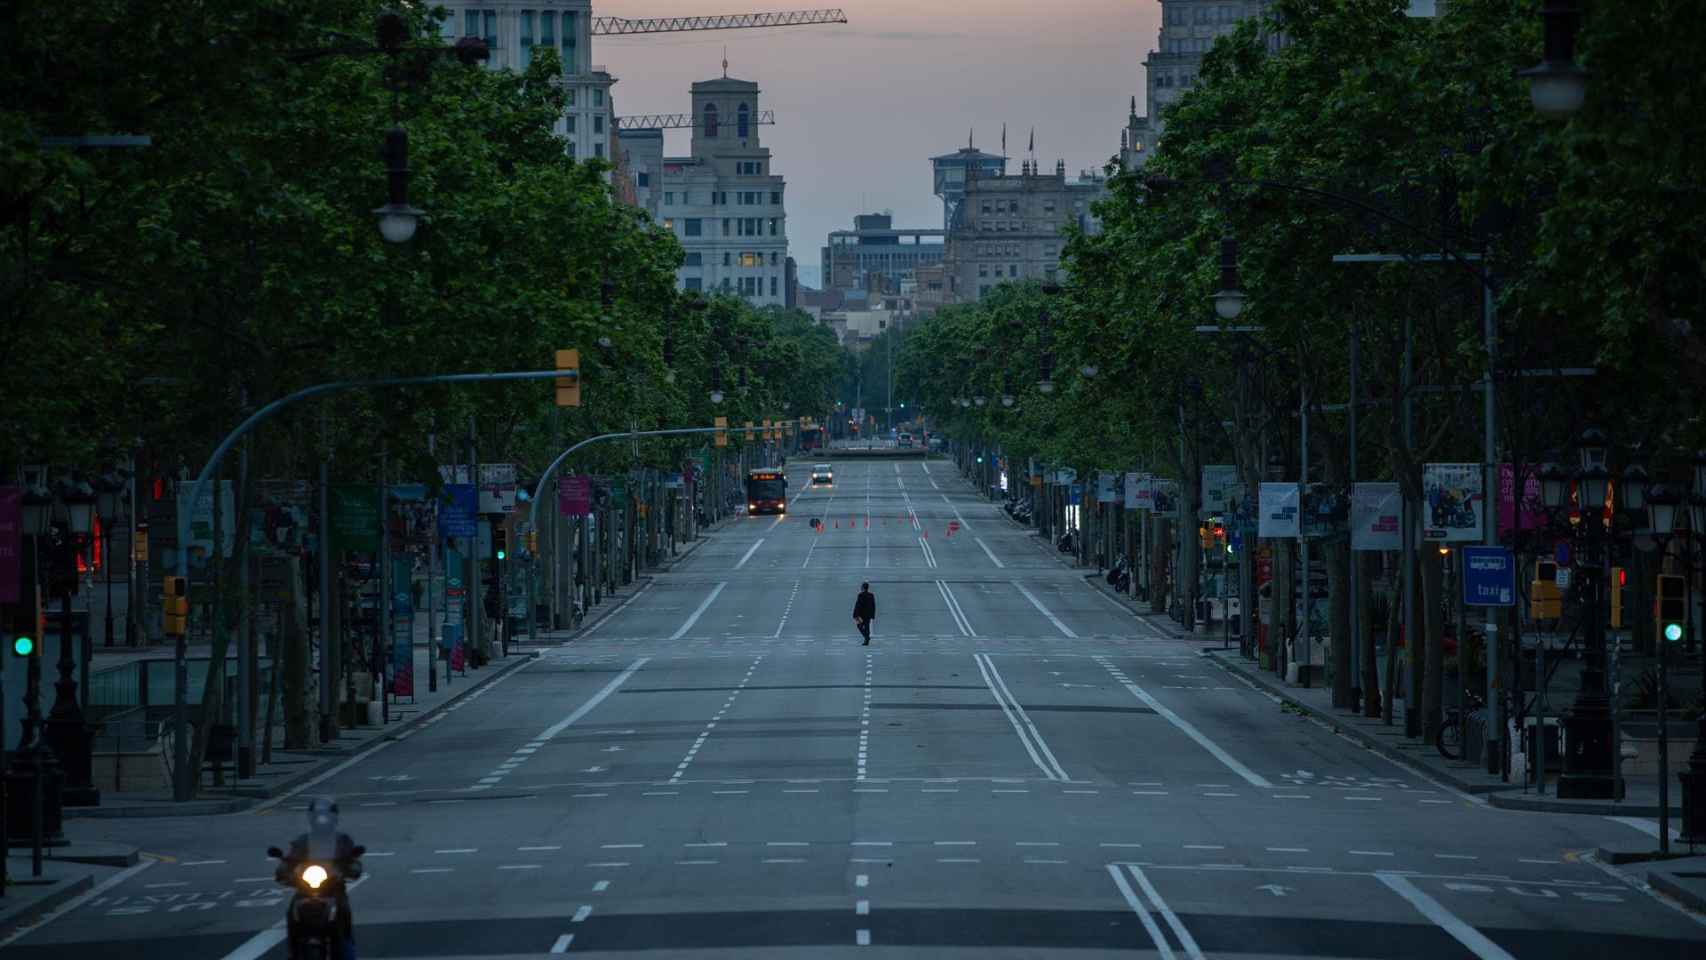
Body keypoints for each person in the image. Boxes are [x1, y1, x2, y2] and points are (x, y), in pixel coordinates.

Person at [276, 797, 363, 960]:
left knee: (343, 917)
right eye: (318, 815)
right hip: (305, 889)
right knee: (291, 912)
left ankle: (348, 955)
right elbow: (290, 858)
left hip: (333, 889)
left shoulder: (342, 840)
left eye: (325, 815)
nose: (322, 819)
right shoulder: (302, 841)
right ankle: (293, 952)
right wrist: (283, 869)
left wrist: (352, 868)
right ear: (311, 818)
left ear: (334, 817)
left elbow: (353, 860)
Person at [853, 581, 876, 646]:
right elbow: (873, 605)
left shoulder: (860, 595)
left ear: (862, 588)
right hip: (868, 614)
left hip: (861, 614)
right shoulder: (871, 595)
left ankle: (866, 637)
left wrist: (855, 614)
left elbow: (858, 605)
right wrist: (873, 614)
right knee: (867, 626)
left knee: (859, 625)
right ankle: (866, 640)